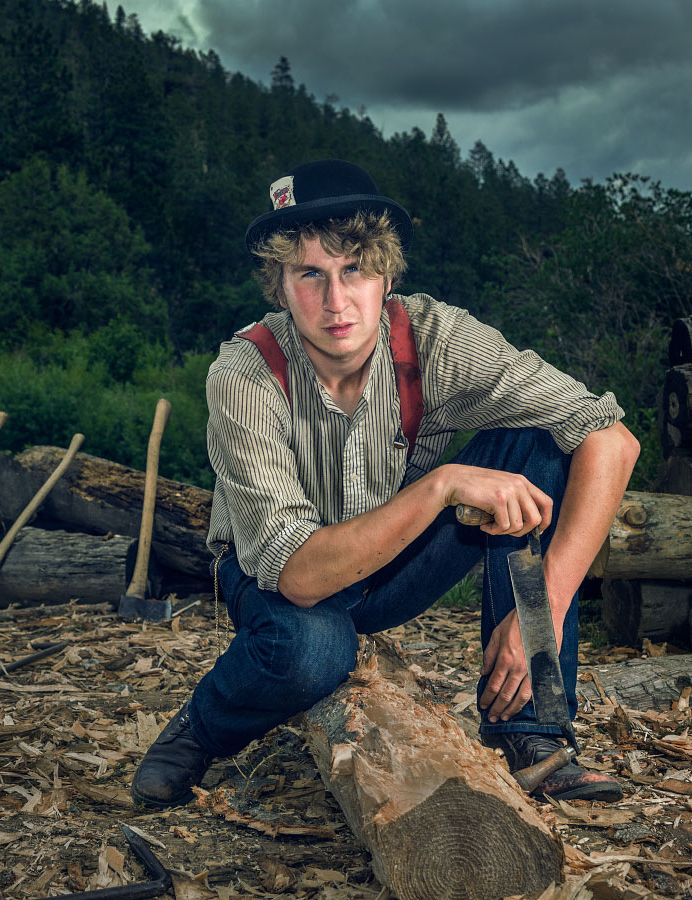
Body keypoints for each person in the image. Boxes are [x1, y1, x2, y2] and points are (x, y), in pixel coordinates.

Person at [130, 160, 640, 809]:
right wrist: (442, 484)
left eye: (354, 271)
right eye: (310, 274)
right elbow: (299, 575)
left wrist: (547, 607)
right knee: (315, 649)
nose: (335, 300)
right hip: (278, 577)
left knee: (538, 446)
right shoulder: (246, 375)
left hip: (396, 563)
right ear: (280, 286)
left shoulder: (438, 340)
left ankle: (535, 734)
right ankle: (196, 732)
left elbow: (610, 438)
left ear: (387, 276)